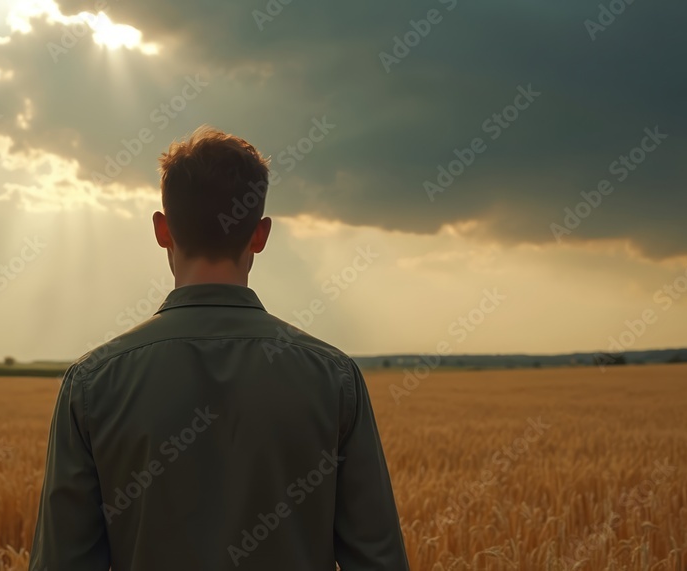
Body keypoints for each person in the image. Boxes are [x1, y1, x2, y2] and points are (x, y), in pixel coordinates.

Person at [28, 126, 409, 570]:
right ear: (260, 234)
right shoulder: (334, 378)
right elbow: (379, 561)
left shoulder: (92, 384)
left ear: (162, 229)